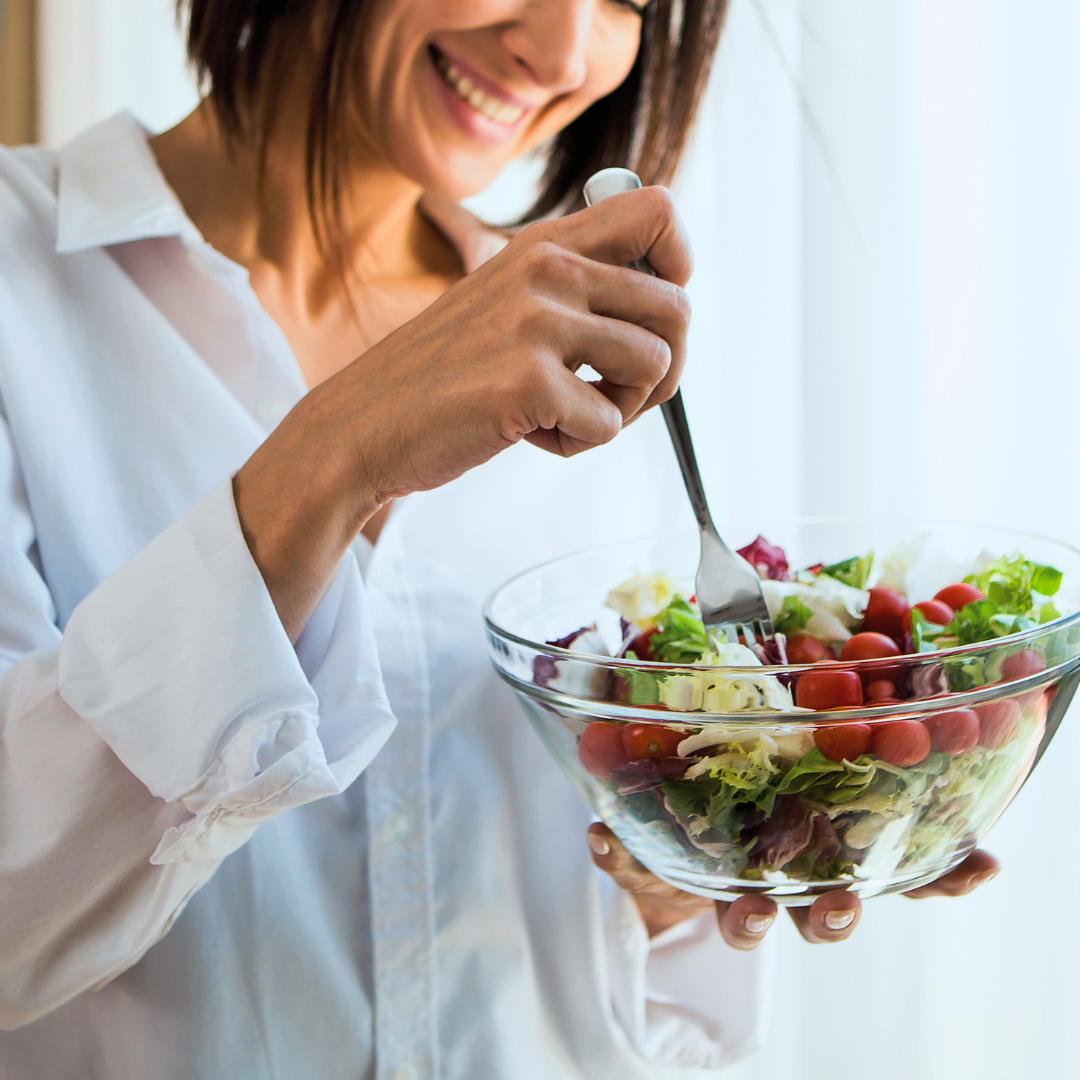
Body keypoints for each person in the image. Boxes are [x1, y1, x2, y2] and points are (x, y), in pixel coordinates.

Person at [0, 0, 998, 1076]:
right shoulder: (23, 283)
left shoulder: (596, 349)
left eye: (631, 3)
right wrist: (336, 452)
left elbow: (631, 1006)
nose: (566, 52)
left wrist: (682, 871)